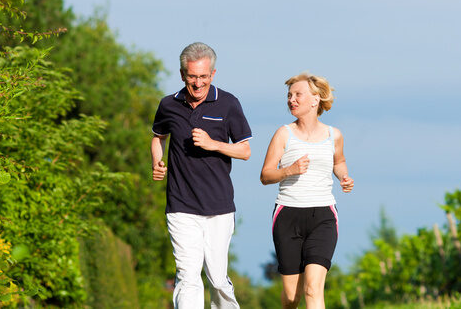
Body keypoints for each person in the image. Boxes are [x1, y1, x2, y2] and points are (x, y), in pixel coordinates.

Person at [151, 42, 252, 308]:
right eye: (193, 77)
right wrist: (157, 161)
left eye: (204, 77)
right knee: (188, 276)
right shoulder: (168, 105)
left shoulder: (228, 103)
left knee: (217, 278)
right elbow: (157, 137)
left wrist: (214, 144)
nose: (198, 84)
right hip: (181, 205)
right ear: (182, 74)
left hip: (219, 206)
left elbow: (245, 151)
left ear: (213, 74)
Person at [260, 73, 354, 309]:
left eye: (297, 94)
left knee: (313, 289)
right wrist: (289, 170)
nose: (292, 99)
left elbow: (338, 162)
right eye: (289, 96)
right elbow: (265, 175)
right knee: (292, 297)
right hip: (288, 215)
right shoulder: (284, 134)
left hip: (323, 215)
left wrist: (344, 177)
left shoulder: (335, 135)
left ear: (315, 99)